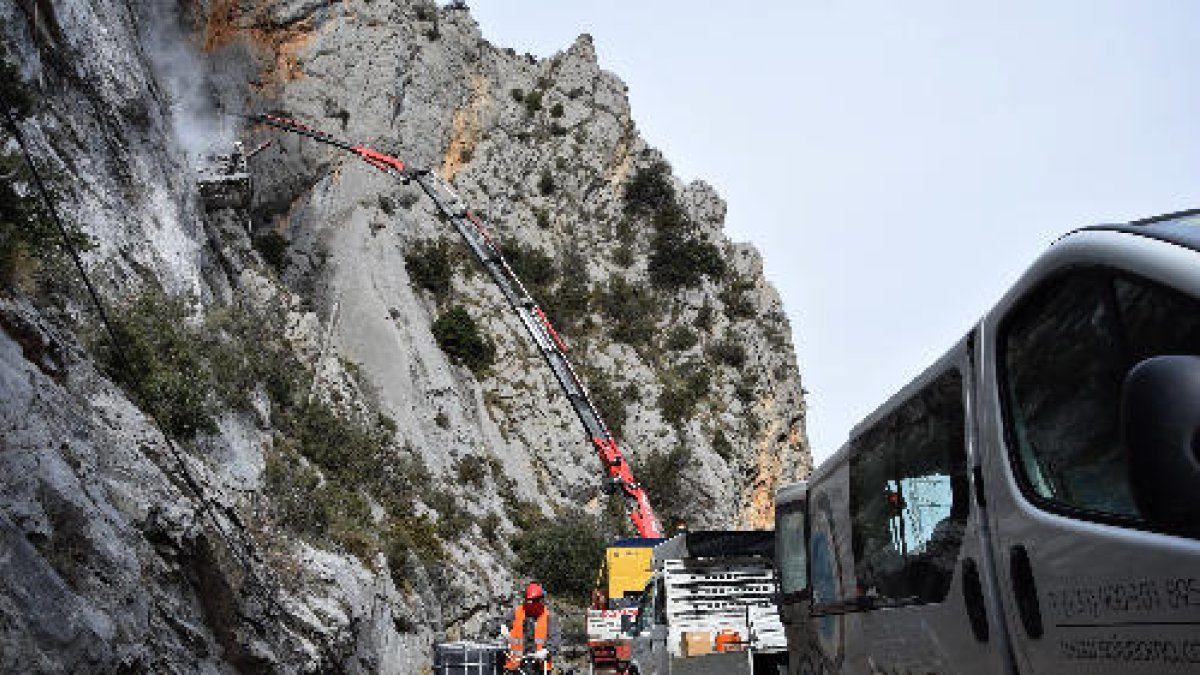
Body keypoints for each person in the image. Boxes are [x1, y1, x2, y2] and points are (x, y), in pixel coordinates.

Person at [503, 582, 562, 672]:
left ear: (540, 600)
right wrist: (502, 629)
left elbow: (555, 640)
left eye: (533, 601)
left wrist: (546, 651)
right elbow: (497, 625)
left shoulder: (549, 617)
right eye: (528, 601)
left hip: (540, 666)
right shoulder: (516, 613)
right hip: (516, 666)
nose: (530, 604)